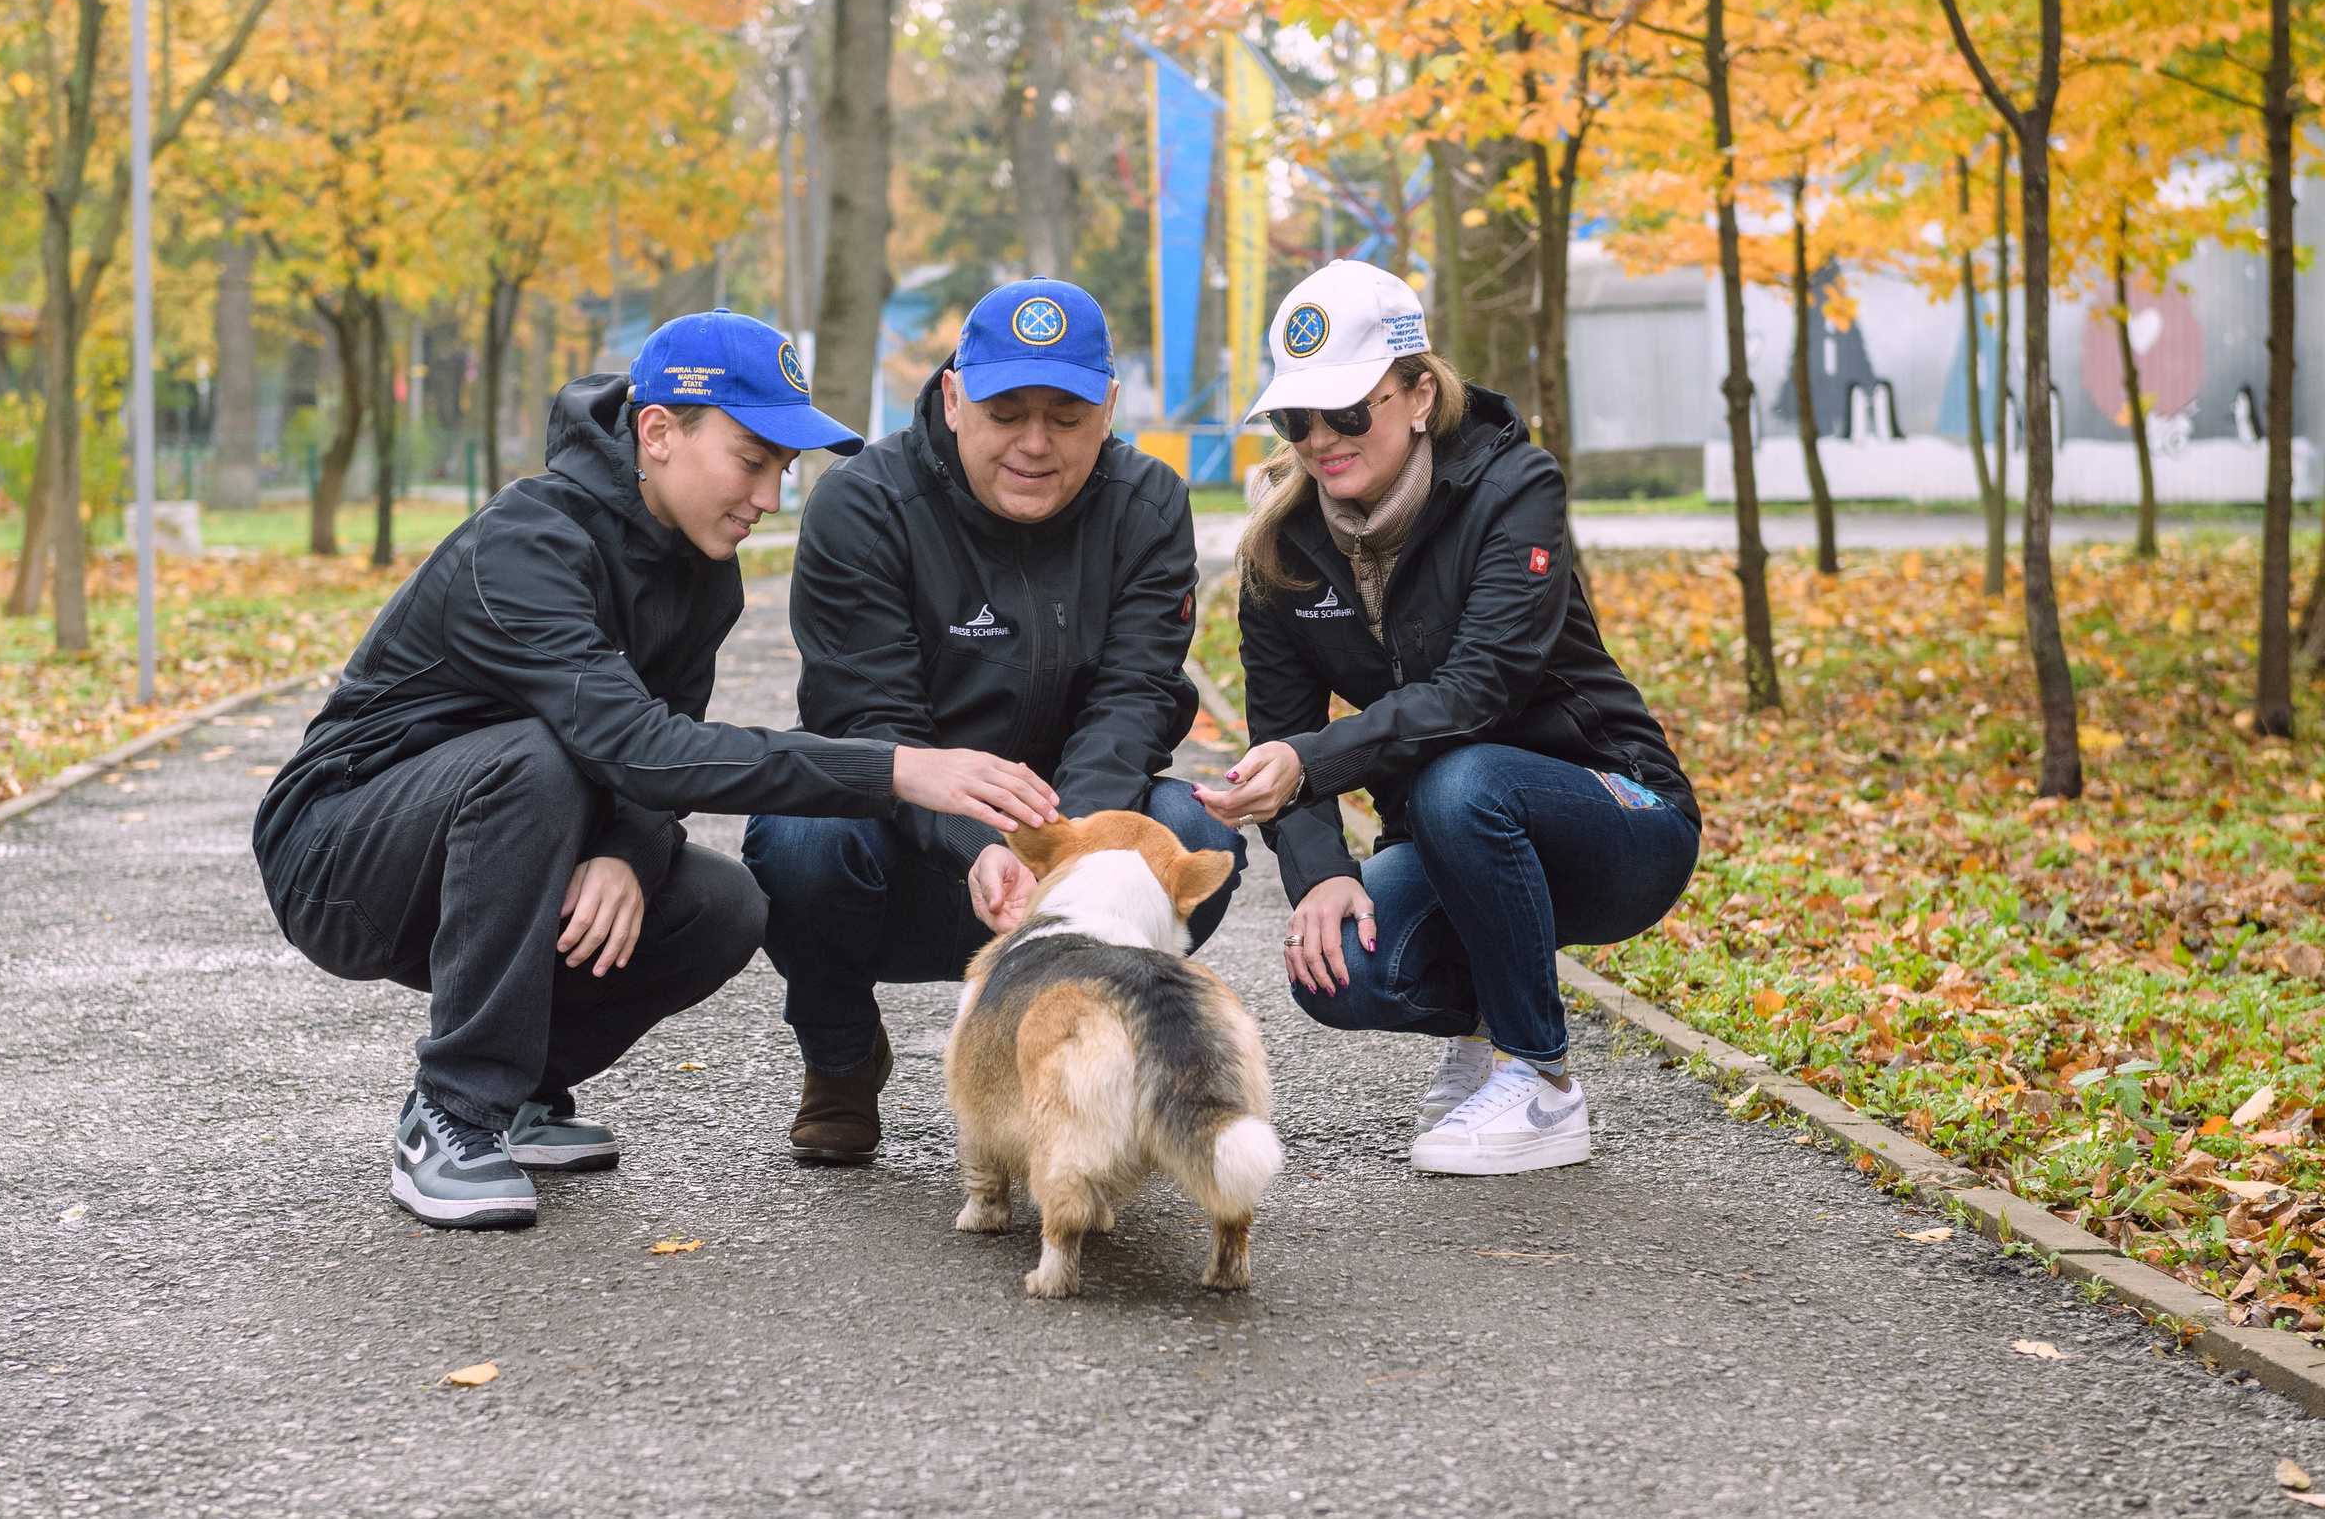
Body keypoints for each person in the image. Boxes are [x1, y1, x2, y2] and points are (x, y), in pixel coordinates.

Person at [253, 310, 1060, 1230]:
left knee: (723, 906)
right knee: (534, 762)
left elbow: (666, 743)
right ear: (658, 431)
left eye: (784, 470)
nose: (769, 496)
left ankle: (523, 1092)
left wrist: (628, 852)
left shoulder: (700, 573)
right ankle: (452, 1112)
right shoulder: (526, 544)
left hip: (504, 833)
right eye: (751, 461)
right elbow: (643, 747)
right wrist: (898, 768)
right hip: (341, 854)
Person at [1194, 261, 1698, 1176]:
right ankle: (1482, 1029)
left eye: (1349, 412)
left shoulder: (1516, 486)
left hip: (1621, 818)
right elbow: (1281, 727)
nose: (1321, 440)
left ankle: (1540, 1082)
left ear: (1419, 394)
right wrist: (1318, 872)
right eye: (1296, 419)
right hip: (1447, 831)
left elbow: (1480, 690)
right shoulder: (1280, 548)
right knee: (1340, 968)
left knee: (1464, 781)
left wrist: (1313, 761)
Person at [743, 278, 1246, 1164]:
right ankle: (840, 1056)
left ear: (1109, 409)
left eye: (1066, 417)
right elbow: (867, 719)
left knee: (1191, 831)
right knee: (799, 835)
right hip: (905, 845)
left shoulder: (1150, 504)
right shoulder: (862, 504)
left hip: (1064, 846)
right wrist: (978, 840)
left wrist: (1061, 851)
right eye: (1005, 413)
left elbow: (1133, 699)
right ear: (952, 397)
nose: (1035, 444)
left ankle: (1084, 1050)